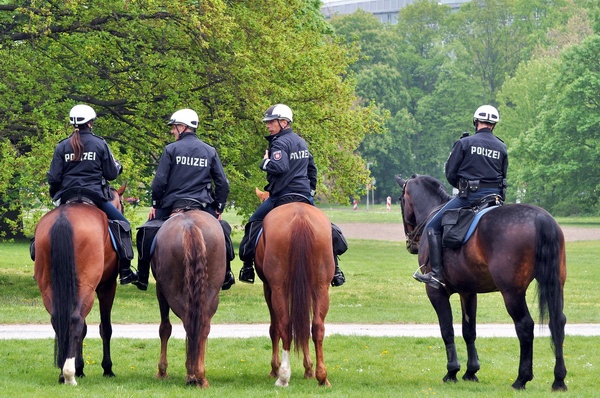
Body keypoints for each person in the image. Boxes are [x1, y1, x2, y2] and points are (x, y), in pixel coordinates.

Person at [238, 104, 346, 287]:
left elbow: (280, 167)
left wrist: (265, 163)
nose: (268, 126)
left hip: (282, 196)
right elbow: (312, 169)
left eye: (271, 122)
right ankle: (335, 269)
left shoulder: (279, 143)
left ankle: (247, 267)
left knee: (253, 223)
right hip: (304, 195)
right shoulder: (301, 142)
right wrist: (310, 190)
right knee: (327, 227)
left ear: (284, 122)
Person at [134, 108, 235, 291]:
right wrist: (219, 208)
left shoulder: (171, 149)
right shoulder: (209, 150)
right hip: (203, 206)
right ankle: (227, 274)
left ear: (183, 127)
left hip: (174, 204)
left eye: (174, 127)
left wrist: (155, 204)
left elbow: (159, 182)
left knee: (146, 231)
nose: (173, 131)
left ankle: (141, 275)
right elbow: (223, 183)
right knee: (223, 231)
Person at [414, 105, 507, 289]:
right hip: (494, 200)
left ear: (476, 121)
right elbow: (503, 177)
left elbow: (450, 173)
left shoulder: (464, 143)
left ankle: (436, 274)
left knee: (432, 226)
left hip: (469, 197)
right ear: (493, 125)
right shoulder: (501, 146)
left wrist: (462, 187)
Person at [47, 104, 137, 285]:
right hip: (94, 196)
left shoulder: (62, 146)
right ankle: (126, 271)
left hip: (67, 197)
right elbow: (111, 173)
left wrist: (57, 193)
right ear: (90, 122)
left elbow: (53, 177)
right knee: (124, 225)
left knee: (45, 226)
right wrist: (118, 166)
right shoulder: (100, 144)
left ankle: (41, 264)